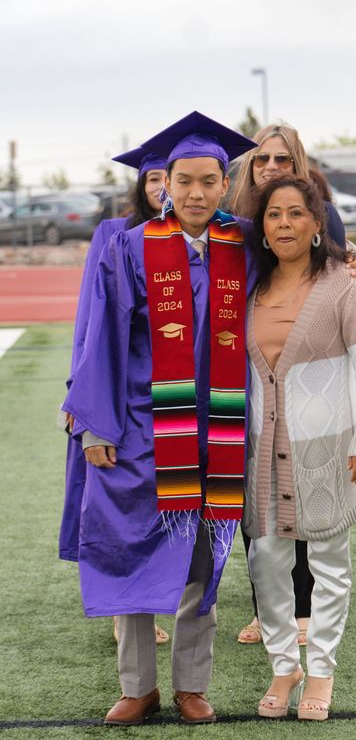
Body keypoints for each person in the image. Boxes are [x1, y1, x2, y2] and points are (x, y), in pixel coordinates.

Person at [62, 111, 257, 725]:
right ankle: (137, 686)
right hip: (141, 428)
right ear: (163, 184)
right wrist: (95, 425)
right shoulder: (127, 245)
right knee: (130, 551)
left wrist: (354, 261)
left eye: (209, 180)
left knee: (203, 559)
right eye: (184, 181)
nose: (197, 193)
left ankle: (191, 684)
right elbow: (101, 336)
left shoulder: (245, 244)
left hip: (216, 426)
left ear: (224, 184)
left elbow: (310, 252)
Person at [243, 175, 356, 721]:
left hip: (329, 450)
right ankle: (284, 664)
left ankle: (320, 671)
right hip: (263, 452)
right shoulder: (254, 286)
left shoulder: (345, 286)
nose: (284, 224)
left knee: (329, 564)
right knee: (266, 563)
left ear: (316, 224)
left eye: (296, 214)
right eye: (274, 214)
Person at [231, 123, 356, 646]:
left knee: (307, 490)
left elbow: (345, 269)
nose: (272, 168)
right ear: (250, 166)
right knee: (260, 502)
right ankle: (265, 607)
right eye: (263, 159)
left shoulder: (321, 213)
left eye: (283, 159)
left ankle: (306, 609)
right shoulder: (234, 224)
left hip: (312, 376)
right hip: (251, 375)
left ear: (299, 165)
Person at [59, 148, 170, 645]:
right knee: (115, 505)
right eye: (156, 179)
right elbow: (92, 322)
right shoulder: (117, 238)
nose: (167, 188)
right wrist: (79, 396)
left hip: (178, 403)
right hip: (121, 392)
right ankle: (126, 609)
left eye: (178, 177)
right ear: (141, 186)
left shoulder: (219, 240)